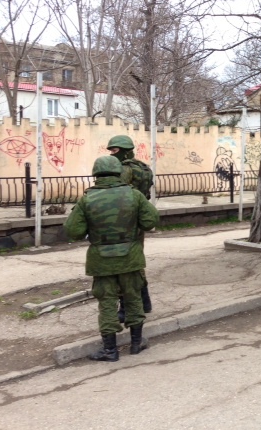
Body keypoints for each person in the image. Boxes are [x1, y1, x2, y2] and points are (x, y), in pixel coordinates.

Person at [64, 155, 159, 361]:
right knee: (133, 298)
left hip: (101, 260)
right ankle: (136, 343)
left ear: (95, 174)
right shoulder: (134, 195)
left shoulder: (87, 198)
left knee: (106, 303)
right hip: (130, 258)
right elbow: (150, 220)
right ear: (118, 172)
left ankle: (110, 350)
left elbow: (73, 231)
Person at [106, 135, 155, 321]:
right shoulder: (143, 167)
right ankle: (145, 301)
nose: (111, 153)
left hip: (123, 222)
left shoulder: (123, 170)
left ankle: (127, 307)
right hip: (138, 220)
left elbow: (115, 195)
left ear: (125, 150)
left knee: (124, 265)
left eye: (114, 150)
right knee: (136, 260)